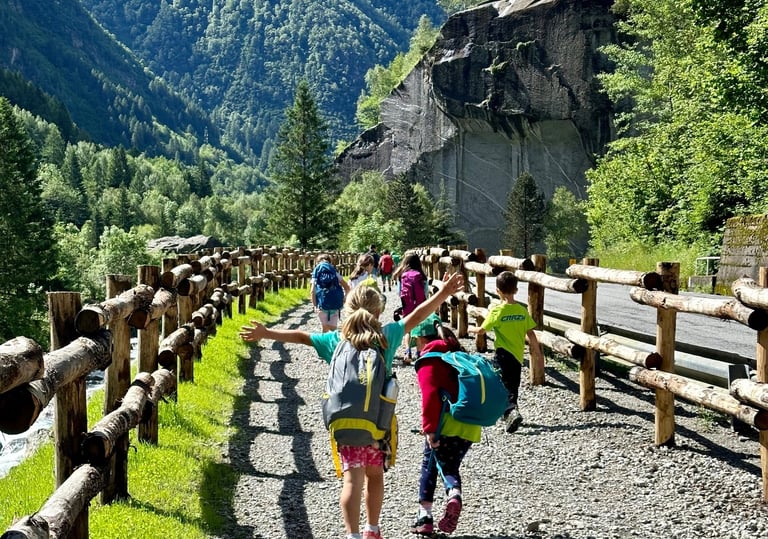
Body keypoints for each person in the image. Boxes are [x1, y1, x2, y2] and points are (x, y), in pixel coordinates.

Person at [239, 274, 465, 539]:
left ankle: (352, 535)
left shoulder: (336, 341)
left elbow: (301, 337)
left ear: (346, 310)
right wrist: (443, 293)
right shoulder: (385, 336)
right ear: (378, 312)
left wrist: (266, 332)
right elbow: (415, 316)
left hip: (345, 423)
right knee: (375, 476)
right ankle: (372, 528)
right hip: (378, 425)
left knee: (351, 480)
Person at [410, 318, 475, 536]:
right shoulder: (457, 352)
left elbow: (430, 398)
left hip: (443, 424)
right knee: (448, 465)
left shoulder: (430, 360)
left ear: (421, 339)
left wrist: (428, 429)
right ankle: (452, 494)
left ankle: (425, 515)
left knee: (429, 465)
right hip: (470, 424)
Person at [467, 271, 545, 433]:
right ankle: (511, 411)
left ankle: (510, 410)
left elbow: (482, 330)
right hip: (517, 356)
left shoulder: (497, 311)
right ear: (516, 290)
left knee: (500, 383)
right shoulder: (522, 311)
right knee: (513, 384)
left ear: (498, 291)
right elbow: (531, 333)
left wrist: (470, 329)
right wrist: (537, 353)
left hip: (502, 354)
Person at [398, 253, 430, 363]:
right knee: (419, 329)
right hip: (420, 306)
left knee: (408, 330)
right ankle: (419, 353)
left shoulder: (403, 275)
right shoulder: (422, 276)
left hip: (407, 306)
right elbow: (426, 292)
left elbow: (400, 292)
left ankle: (407, 353)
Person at [310, 254, 350, 332]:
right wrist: (344, 299)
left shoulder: (316, 271)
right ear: (330, 261)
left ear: (318, 262)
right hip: (335, 304)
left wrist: (314, 305)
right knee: (333, 329)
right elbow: (347, 288)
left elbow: (312, 291)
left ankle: (324, 343)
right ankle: (333, 343)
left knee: (324, 329)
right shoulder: (334, 271)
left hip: (322, 305)